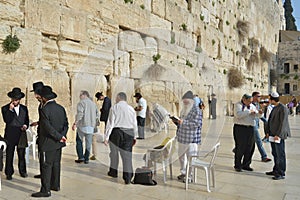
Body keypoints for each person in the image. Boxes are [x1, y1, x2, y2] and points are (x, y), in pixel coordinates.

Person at [31, 86, 68, 198]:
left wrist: (58, 137)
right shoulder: (60, 108)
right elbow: (66, 123)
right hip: (58, 143)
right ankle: (55, 185)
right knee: (56, 164)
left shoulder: (45, 109)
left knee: (46, 165)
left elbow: (47, 127)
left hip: (48, 143)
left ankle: (45, 190)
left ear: (44, 98)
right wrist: (62, 136)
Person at [104, 92, 138, 184]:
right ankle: (128, 177)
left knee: (114, 154)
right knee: (127, 156)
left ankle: (113, 172)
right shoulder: (131, 109)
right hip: (129, 132)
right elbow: (135, 124)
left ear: (119, 97)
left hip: (116, 132)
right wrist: (135, 136)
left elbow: (110, 123)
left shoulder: (114, 108)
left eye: (116, 97)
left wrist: (106, 137)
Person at [1, 87, 29, 180]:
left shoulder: (24, 108)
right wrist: (10, 110)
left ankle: (23, 171)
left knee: (22, 154)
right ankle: (9, 173)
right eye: (13, 99)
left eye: (16, 99)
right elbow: (7, 120)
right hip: (10, 134)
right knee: (9, 154)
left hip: (21, 134)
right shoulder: (5, 108)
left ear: (19, 99)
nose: (15, 101)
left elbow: (26, 120)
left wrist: (25, 125)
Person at [175, 91, 202, 182]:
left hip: (192, 139)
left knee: (191, 158)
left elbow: (196, 124)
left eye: (187, 101)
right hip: (182, 138)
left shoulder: (197, 111)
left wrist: (183, 122)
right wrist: (176, 122)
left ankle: (190, 176)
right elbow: (181, 122)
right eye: (184, 101)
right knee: (181, 157)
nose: (185, 103)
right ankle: (183, 173)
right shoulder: (184, 110)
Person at [233, 94, 262, 172]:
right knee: (240, 147)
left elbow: (257, 115)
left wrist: (259, 113)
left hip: (250, 128)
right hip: (240, 128)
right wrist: (249, 112)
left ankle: (246, 164)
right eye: (248, 101)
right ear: (244, 99)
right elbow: (238, 115)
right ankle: (237, 165)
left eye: (251, 101)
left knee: (250, 147)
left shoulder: (252, 105)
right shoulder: (238, 105)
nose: (250, 103)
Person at [265, 92, 291, 180]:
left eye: (269, 99)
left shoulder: (283, 108)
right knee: (275, 153)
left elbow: (283, 123)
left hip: (278, 135)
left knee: (280, 154)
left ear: (272, 99)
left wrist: (278, 135)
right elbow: (270, 120)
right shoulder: (275, 107)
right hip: (273, 134)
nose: (268, 100)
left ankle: (281, 172)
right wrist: (268, 132)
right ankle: (276, 170)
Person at [73, 91, 99, 164]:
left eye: (80, 95)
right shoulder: (93, 104)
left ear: (84, 95)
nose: (79, 97)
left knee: (79, 141)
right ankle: (86, 158)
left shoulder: (81, 103)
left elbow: (80, 114)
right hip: (91, 126)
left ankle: (81, 157)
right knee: (88, 143)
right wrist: (95, 124)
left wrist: (75, 122)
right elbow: (97, 115)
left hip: (82, 125)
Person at [29, 81, 44, 179]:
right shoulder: (42, 103)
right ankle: (43, 172)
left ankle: (45, 175)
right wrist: (38, 123)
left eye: (35, 93)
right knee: (41, 155)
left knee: (44, 156)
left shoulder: (45, 104)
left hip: (45, 134)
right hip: (42, 131)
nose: (35, 96)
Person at [251, 92, 271, 162]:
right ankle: (264, 156)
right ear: (253, 97)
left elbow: (260, 115)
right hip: (253, 125)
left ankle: (237, 149)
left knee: (249, 142)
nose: (259, 98)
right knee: (259, 141)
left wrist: (266, 121)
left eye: (260, 96)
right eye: (258, 96)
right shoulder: (250, 104)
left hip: (256, 125)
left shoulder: (257, 105)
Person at [92, 92, 111, 159]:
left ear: (101, 96)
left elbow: (105, 109)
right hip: (107, 117)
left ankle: (107, 139)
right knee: (107, 127)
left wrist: (101, 110)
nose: (100, 100)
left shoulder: (106, 100)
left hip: (107, 117)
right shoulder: (107, 99)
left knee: (108, 128)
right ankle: (107, 139)